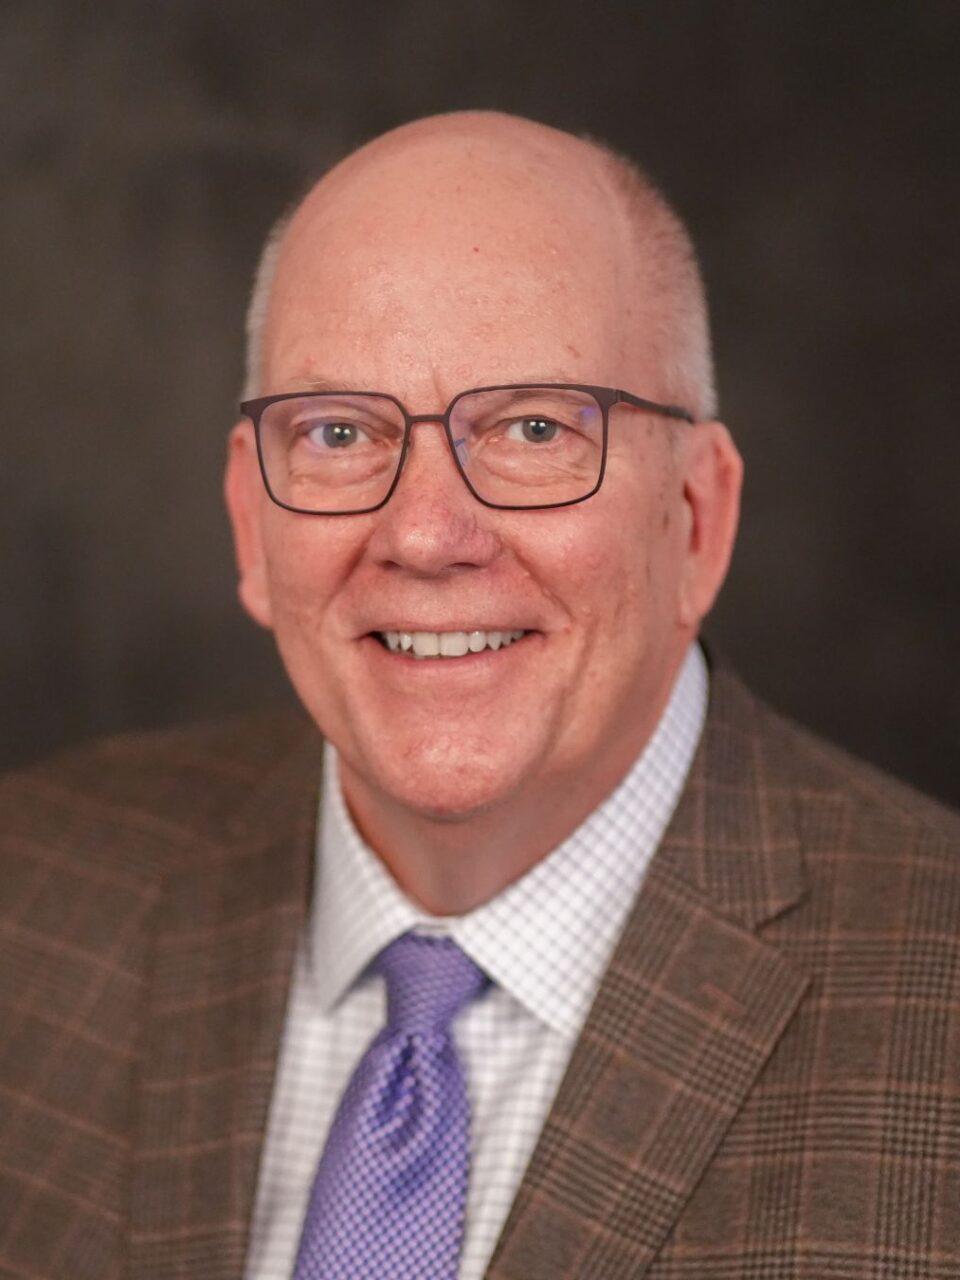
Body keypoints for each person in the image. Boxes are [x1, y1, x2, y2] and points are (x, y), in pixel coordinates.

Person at [1, 110, 958, 1280]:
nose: (424, 532)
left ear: (696, 520)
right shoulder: (27, 897)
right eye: (339, 431)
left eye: (534, 427)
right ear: (251, 522)